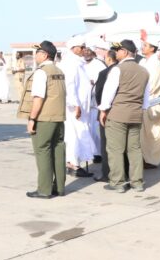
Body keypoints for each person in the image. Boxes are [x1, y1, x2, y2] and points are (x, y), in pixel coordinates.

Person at [99, 39, 150, 193]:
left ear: (126, 52)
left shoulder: (118, 69)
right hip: (136, 113)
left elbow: (109, 93)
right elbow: (146, 97)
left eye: (119, 50)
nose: (116, 53)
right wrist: (142, 109)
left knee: (115, 149)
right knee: (134, 149)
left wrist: (103, 110)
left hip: (118, 113)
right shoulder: (144, 71)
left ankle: (118, 182)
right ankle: (137, 182)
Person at [19, 40, 66, 199]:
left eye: (37, 53)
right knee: (58, 150)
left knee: (42, 151)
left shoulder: (42, 72)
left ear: (45, 55)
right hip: (59, 117)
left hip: (45, 118)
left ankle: (44, 189)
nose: (35, 56)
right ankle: (59, 187)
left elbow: (38, 98)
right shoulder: (58, 71)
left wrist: (32, 119)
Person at [61, 36, 95, 177]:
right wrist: (75, 105)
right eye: (81, 47)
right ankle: (73, 164)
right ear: (73, 48)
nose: (83, 50)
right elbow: (69, 86)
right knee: (75, 136)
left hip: (80, 107)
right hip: (74, 108)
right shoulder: (70, 63)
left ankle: (73, 162)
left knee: (78, 135)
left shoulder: (77, 63)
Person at [140, 39, 160, 168]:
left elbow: (152, 84)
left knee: (154, 133)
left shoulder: (155, 63)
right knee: (144, 133)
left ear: (152, 48)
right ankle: (144, 157)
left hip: (154, 101)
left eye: (145, 45)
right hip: (143, 100)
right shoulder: (142, 61)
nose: (142, 47)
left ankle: (152, 160)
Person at [93, 49, 118, 182]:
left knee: (106, 143)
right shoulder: (122, 70)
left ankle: (106, 173)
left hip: (106, 111)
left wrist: (101, 108)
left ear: (108, 58)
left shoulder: (104, 73)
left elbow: (99, 94)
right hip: (121, 111)